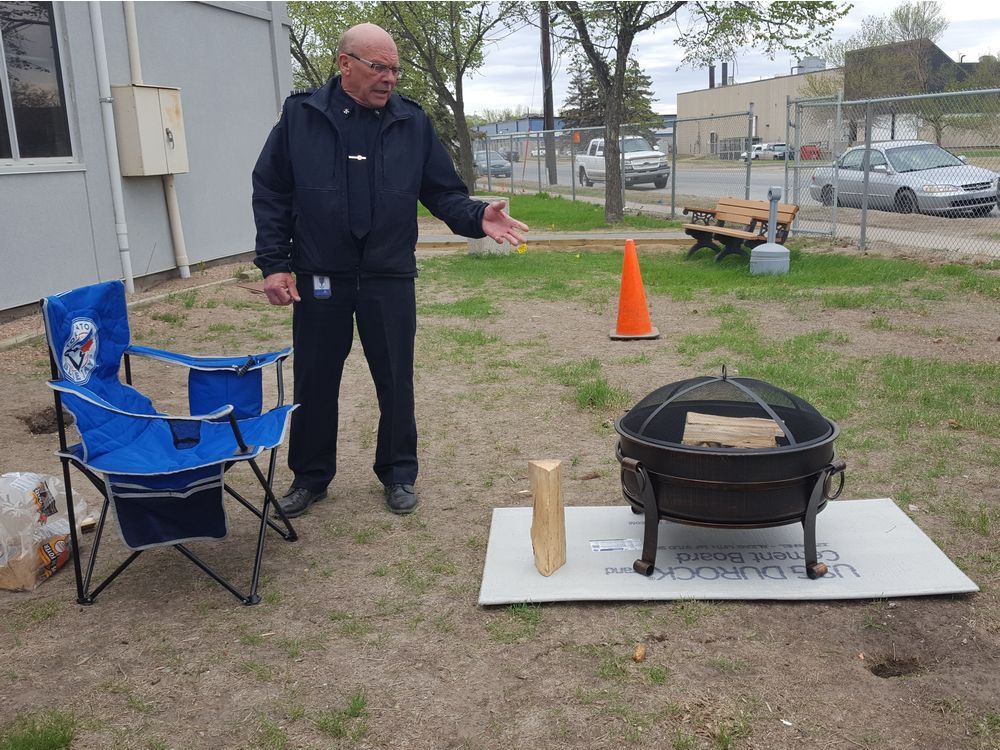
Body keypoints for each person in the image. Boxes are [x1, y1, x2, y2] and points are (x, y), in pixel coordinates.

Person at [252, 23, 527, 518]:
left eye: (395, 69)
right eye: (379, 68)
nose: (390, 79)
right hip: (321, 276)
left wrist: (477, 214)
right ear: (345, 64)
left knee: (395, 378)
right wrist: (274, 264)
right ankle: (310, 477)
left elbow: (443, 191)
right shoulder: (302, 116)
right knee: (314, 379)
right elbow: (271, 190)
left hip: (388, 276)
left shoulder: (411, 122)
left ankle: (399, 473)